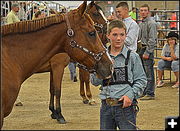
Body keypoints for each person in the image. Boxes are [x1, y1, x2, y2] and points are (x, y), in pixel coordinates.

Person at [90, 20, 147, 130]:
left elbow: (141, 80)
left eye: (122, 35)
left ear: (126, 36)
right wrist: (102, 70)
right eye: (115, 35)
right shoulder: (100, 58)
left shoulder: (132, 57)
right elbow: (94, 82)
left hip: (126, 108)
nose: (118, 38)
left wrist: (130, 95)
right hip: (106, 107)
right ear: (108, 36)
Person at [138, 4, 158, 100]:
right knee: (143, 72)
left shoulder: (152, 23)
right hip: (141, 49)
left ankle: (150, 93)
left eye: (145, 10)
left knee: (149, 72)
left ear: (148, 12)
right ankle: (145, 91)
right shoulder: (141, 23)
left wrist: (148, 52)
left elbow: (152, 39)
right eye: (141, 10)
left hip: (146, 49)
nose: (143, 12)